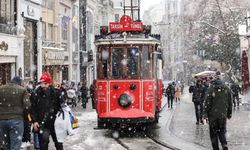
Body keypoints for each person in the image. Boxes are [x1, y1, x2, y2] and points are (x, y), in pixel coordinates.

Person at [30, 72, 63, 150]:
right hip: (43, 123)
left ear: (49, 83)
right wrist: (34, 121)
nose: (43, 85)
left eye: (45, 83)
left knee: (59, 143)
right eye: (41, 83)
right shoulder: (36, 93)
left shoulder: (55, 92)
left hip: (55, 122)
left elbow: (62, 106)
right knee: (44, 143)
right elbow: (32, 108)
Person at [0, 76, 31, 150]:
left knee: (5, 145)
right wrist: (26, 117)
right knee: (15, 146)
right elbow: (27, 106)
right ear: (19, 82)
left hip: (2, 121)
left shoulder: (1, 89)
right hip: (16, 120)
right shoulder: (23, 90)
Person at [204, 71, 232, 150]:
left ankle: (216, 148)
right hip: (222, 115)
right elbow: (230, 102)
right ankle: (224, 143)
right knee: (222, 131)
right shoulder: (226, 88)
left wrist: (205, 114)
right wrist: (229, 113)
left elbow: (207, 102)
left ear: (214, 78)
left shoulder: (211, 88)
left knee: (213, 134)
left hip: (213, 116)